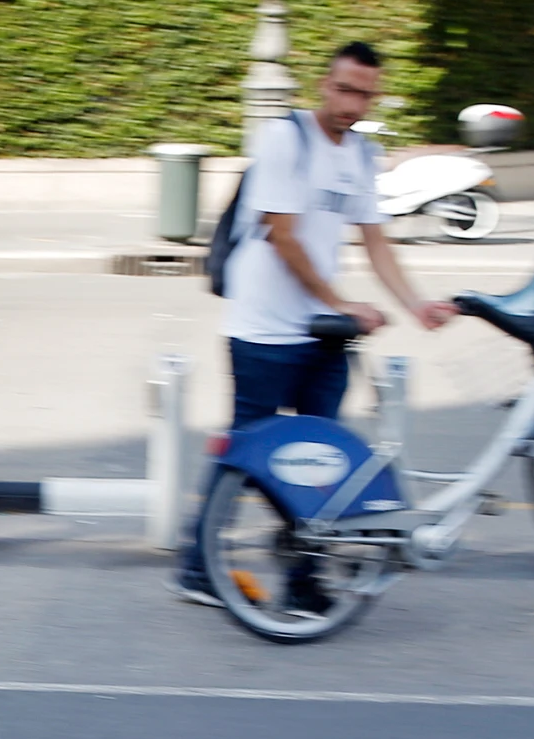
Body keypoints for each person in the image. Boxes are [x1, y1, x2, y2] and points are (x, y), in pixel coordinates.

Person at [171, 41, 459, 611]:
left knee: (320, 462)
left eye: (365, 94)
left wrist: (415, 304)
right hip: (263, 331)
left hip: (323, 334)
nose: (353, 103)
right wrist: (342, 303)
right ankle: (197, 567)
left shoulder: (361, 154)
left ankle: (304, 584)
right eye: (345, 89)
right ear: (324, 84)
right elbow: (283, 236)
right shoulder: (286, 139)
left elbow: (376, 241)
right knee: (246, 453)